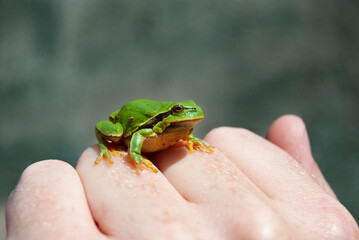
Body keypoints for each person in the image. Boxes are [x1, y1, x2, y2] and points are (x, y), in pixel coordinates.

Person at [5, 115, 359, 239]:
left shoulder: (180, 129)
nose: (187, 118)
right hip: (128, 126)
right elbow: (140, 137)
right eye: (178, 114)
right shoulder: (152, 126)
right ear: (168, 117)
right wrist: (131, 156)